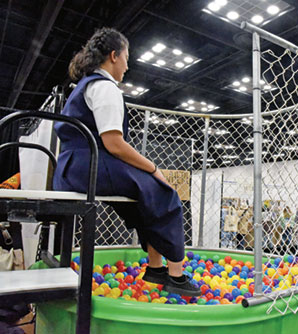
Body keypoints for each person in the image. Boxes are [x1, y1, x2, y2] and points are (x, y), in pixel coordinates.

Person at [52, 27, 200, 296]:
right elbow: (114, 144)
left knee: (145, 201)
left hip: (71, 167)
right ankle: (175, 275)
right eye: (126, 58)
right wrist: (154, 169)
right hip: (90, 164)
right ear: (113, 56)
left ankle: (156, 268)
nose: (127, 65)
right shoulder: (105, 87)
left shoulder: (85, 85)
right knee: (166, 194)